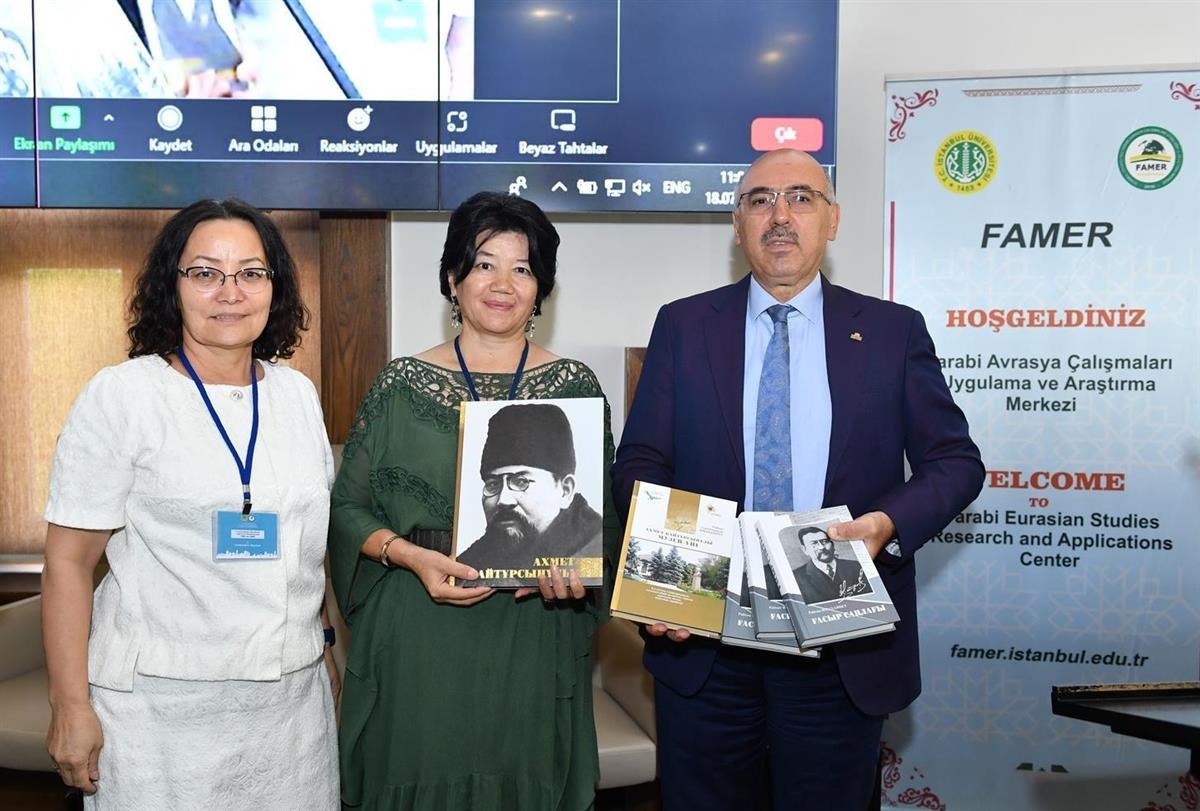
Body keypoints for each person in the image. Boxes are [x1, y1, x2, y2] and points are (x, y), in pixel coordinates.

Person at [612, 148, 985, 810]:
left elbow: (955, 461)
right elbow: (641, 461)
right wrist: (667, 577)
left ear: (832, 220)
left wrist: (885, 525)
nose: (780, 215)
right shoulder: (684, 324)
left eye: (801, 198)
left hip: (839, 641)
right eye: (760, 200)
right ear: (737, 225)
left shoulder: (893, 331)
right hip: (707, 639)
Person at [41, 198, 340, 808]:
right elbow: (68, 563)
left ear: (275, 287)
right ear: (171, 286)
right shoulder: (123, 396)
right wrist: (69, 707)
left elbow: (311, 547)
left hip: (291, 712)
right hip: (160, 715)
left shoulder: (297, 395)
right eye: (205, 272)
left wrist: (326, 648)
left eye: (250, 272)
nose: (230, 291)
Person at [329, 191, 619, 810]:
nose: (502, 284)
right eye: (485, 264)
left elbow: (607, 528)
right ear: (452, 278)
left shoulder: (575, 388)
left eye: (523, 268)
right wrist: (410, 556)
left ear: (540, 289)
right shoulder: (400, 385)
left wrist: (580, 573)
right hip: (417, 632)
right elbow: (347, 511)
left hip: (532, 633)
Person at [456, 402, 602, 577]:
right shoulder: (468, 567)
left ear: (565, 491)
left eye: (521, 481)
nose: (503, 500)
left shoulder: (594, 557)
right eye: (493, 484)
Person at [789, 526, 868, 603]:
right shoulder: (797, 577)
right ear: (805, 550)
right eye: (814, 544)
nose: (821, 547)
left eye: (824, 542)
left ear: (832, 544)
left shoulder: (856, 567)